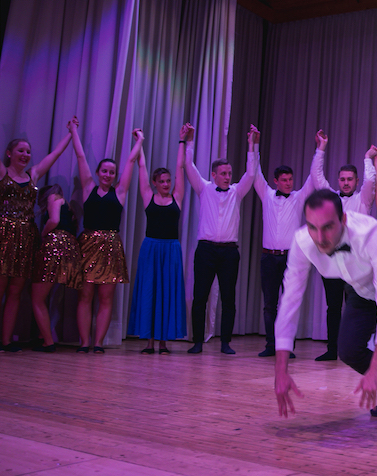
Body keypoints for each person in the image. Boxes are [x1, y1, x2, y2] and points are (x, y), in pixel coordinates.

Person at [272, 189, 377, 426]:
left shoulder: (371, 232)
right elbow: (290, 301)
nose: (320, 237)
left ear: (343, 219)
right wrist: (281, 369)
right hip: (360, 286)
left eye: (328, 227)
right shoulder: (302, 241)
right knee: (348, 349)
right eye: (313, 227)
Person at [0, 90, 73, 352]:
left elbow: (55, 154)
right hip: (0, 235)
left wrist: (70, 133)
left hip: (25, 238)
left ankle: (7, 340)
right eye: (21, 150)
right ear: (9, 153)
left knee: (16, 293)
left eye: (28, 151)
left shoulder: (33, 176)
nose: (25, 154)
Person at [250, 125, 324, 357]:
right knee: (269, 304)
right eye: (284, 180)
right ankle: (271, 345)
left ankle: (286, 347)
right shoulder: (266, 195)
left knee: (289, 304)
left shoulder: (298, 198)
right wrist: (254, 145)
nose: (289, 183)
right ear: (276, 181)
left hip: (290, 258)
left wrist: (319, 149)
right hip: (268, 257)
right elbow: (254, 173)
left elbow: (313, 179)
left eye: (291, 179)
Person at [184, 123, 258, 355]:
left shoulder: (236, 192)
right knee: (200, 297)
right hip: (206, 250)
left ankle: (225, 342)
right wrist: (189, 141)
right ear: (214, 175)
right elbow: (188, 166)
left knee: (228, 298)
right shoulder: (204, 188)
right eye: (223, 174)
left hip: (229, 252)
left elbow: (251, 174)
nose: (227, 177)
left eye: (229, 173)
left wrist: (252, 146)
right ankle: (198, 341)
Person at [73, 124, 142, 353]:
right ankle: (84, 342)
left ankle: (98, 343)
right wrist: (73, 132)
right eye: (104, 171)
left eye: (112, 172)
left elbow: (130, 162)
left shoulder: (119, 192)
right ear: (97, 172)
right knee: (85, 296)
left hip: (111, 246)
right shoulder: (88, 188)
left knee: (105, 297)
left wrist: (139, 141)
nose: (108, 175)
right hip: (87, 245)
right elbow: (81, 157)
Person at [311, 143, 377, 360]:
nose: (346, 182)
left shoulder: (363, 199)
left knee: (354, 307)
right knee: (333, 306)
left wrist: (367, 158)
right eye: (342, 179)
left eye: (350, 179)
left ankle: (354, 349)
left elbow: (371, 181)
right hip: (332, 261)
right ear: (338, 181)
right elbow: (317, 177)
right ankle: (332, 349)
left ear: (356, 181)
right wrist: (321, 149)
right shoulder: (330, 198)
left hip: (355, 262)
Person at [127, 127, 187, 354]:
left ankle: (163, 343)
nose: (166, 184)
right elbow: (141, 167)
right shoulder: (148, 196)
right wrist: (140, 142)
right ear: (154, 183)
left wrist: (181, 140)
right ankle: (150, 342)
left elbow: (180, 167)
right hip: (151, 248)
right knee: (150, 293)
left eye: (168, 181)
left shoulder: (177, 197)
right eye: (162, 181)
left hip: (171, 249)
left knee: (167, 293)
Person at [30, 182, 83, 351]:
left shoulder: (54, 198)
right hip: (70, 249)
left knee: (37, 298)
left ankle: (48, 341)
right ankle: (43, 335)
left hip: (55, 245)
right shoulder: (67, 205)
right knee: (51, 295)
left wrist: (43, 233)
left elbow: (54, 220)